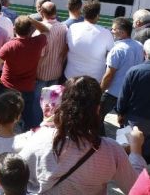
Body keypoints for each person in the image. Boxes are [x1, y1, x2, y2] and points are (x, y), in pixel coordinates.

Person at [18, 76, 146, 193]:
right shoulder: (112, 151)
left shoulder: (38, 138)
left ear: (63, 104)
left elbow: (16, 175)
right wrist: (135, 151)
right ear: (97, 109)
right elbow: (136, 189)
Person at [0, 16, 49, 130]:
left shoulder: (10, 45)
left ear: (14, 29)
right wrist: (32, 20)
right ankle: (28, 138)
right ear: (31, 30)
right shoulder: (37, 42)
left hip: (7, 88)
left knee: (4, 115)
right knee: (27, 116)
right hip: (27, 88)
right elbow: (46, 30)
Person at [99, 17, 144, 132]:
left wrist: (100, 91)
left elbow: (109, 75)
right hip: (130, 93)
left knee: (97, 117)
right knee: (124, 122)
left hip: (113, 92)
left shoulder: (117, 49)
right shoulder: (139, 46)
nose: (111, 31)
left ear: (122, 32)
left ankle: (100, 142)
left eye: (114, 29)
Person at [32, 1, 68, 125]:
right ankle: (48, 123)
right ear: (55, 12)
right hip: (56, 71)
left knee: (38, 101)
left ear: (41, 12)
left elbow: (38, 55)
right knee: (51, 101)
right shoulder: (64, 27)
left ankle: (36, 125)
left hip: (41, 73)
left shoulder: (40, 31)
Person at [65, 0, 115, 82]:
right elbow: (111, 54)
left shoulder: (73, 28)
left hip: (71, 77)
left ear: (83, 13)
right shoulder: (106, 33)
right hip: (94, 79)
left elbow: (67, 47)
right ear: (98, 15)